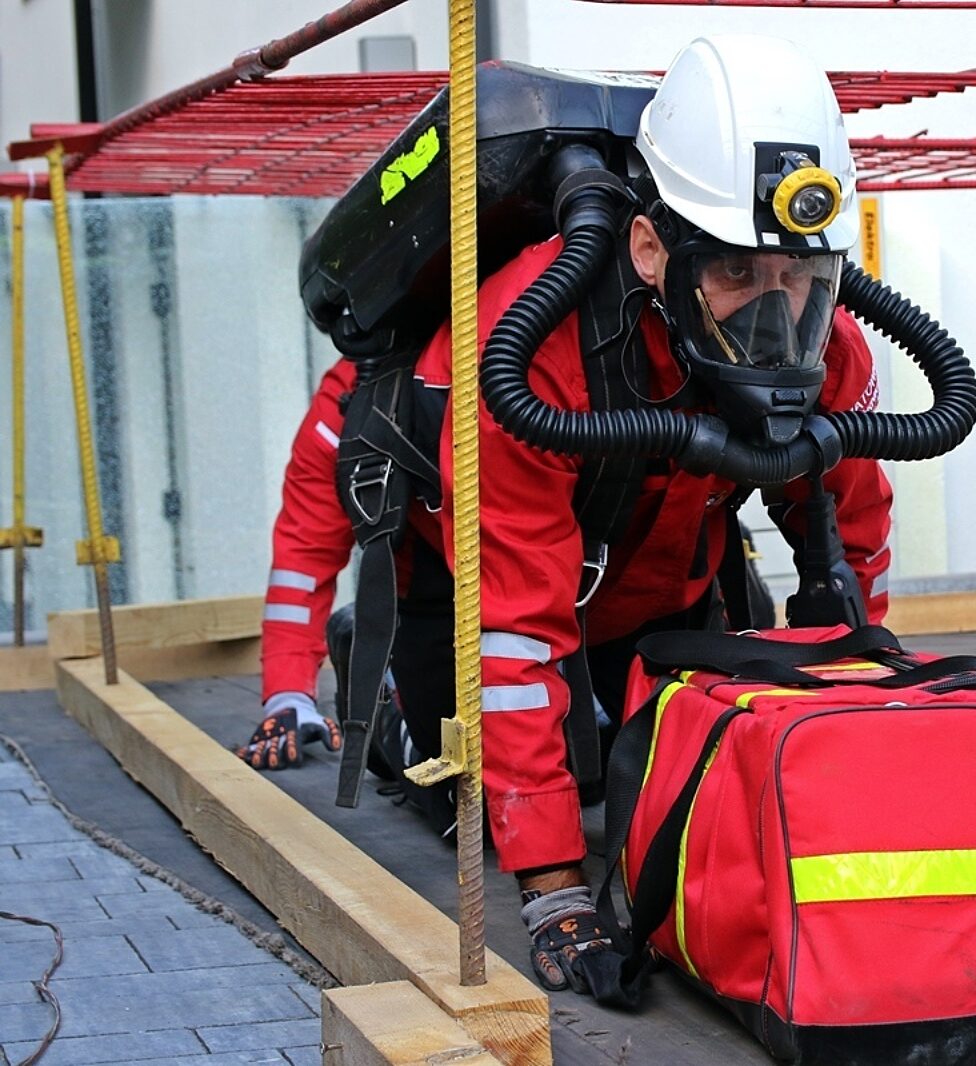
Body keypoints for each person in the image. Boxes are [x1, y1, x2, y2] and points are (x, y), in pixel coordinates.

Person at [410, 34, 893, 992]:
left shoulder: (829, 345)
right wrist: (552, 889)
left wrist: (861, 741)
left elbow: (856, 541)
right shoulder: (530, 353)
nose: (775, 312)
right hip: (478, 589)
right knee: (471, 799)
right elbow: (513, 635)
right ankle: (397, 706)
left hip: (667, 587)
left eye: (798, 275)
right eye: (735, 273)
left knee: (673, 796)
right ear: (649, 248)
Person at [236, 359, 458, 833]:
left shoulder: (549, 359)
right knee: (465, 805)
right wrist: (288, 695)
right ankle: (378, 690)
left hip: (577, 603)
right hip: (434, 602)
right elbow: (303, 559)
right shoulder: (349, 402)